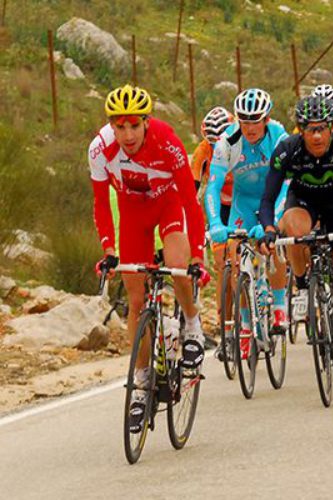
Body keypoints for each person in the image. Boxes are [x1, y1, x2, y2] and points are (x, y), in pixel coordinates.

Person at [90, 84, 209, 432]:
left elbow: (190, 201)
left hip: (168, 205)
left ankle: (191, 324)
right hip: (133, 216)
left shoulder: (167, 141)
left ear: (146, 122)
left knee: (177, 262)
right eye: (119, 126)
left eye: (133, 125)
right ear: (111, 125)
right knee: (137, 300)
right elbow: (100, 203)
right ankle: (141, 383)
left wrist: (197, 256)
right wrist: (109, 250)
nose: (127, 134)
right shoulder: (100, 150)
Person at [260, 95, 333, 383]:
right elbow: (268, 198)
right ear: (301, 129)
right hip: (305, 202)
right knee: (293, 230)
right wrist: (269, 228)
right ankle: (302, 284)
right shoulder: (287, 149)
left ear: (332, 126)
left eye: (322, 128)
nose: (317, 135)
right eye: (310, 129)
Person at [204, 88, 289, 357]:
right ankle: (244, 323)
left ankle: (278, 305)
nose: (250, 127)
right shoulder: (227, 142)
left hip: (273, 198)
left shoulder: (278, 136)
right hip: (244, 203)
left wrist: (272, 222)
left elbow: (287, 184)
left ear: (266, 119)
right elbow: (213, 188)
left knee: (271, 245)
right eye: (244, 120)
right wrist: (216, 222)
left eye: (256, 120)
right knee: (235, 256)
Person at [191, 106, 235, 327]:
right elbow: (192, 191)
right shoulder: (202, 152)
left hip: (245, 203)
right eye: (212, 142)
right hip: (220, 207)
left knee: (241, 257)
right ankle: (225, 326)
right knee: (221, 265)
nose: (218, 147)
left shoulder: (243, 143)